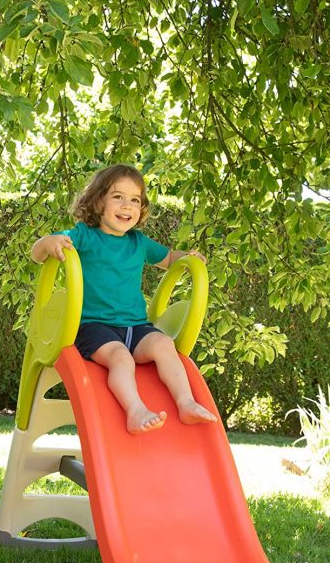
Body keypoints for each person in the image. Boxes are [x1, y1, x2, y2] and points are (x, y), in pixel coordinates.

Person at [31, 164, 217, 435]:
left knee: (164, 344)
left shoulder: (138, 242)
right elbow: (39, 252)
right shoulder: (84, 236)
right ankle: (135, 410)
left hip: (136, 327)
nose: (127, 205)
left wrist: (188, 258)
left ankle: (186, 403)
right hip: (94, 328)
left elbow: (167, 259)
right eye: (118, 196)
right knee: (121, 358)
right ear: (98, 201)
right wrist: (49, 242)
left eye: (135, 200)